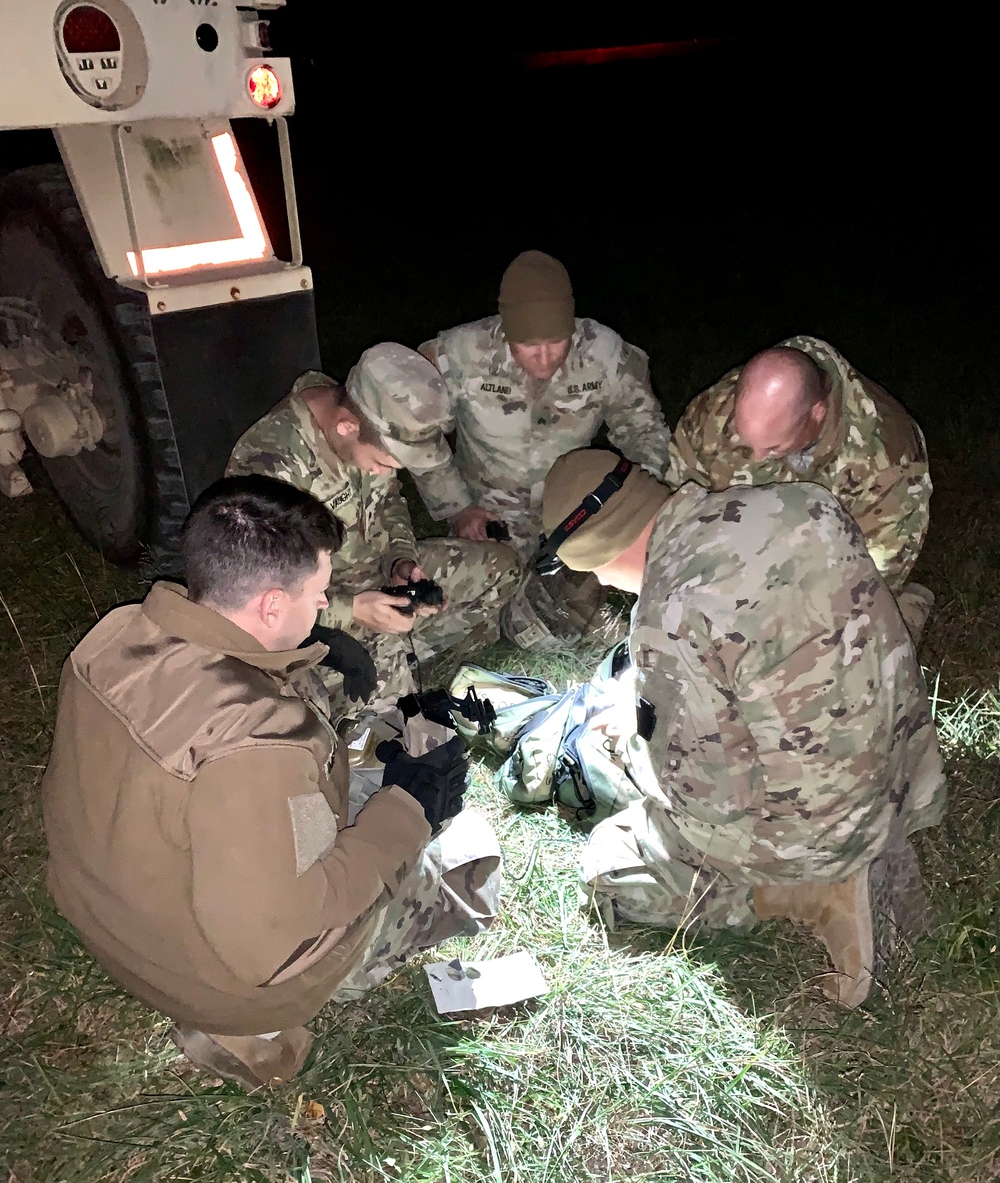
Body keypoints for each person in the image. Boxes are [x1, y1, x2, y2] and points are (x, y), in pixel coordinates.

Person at [41, 475, 502, 1089]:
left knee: (359, 794)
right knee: (455, 853)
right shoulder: (260, 743)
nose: (323, 606)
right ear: (270, 606)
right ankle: (260, 1020)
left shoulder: (119, 636)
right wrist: (409, 809)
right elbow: (273, 937)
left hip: (107, 911)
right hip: (217, 982)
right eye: (318, 593)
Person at [540, 449, 946, 1006]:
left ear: (602, 556)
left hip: (826, 828)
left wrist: (633, 748)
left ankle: (805, 893)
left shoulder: (667, 618)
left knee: (607, 862)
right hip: (903, 771)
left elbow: (710, 798)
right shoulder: (801, 500)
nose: (607, 587)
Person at [226, 343, 522, 720]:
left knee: (503, 568)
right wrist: (354, 610)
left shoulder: (371, 422)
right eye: (383, 463)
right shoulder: (269, 465)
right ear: (346, 426)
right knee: (394, 716)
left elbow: (389, 501)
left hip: (379, 577)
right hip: (321, 607)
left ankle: (397, 647)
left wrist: (401, 559)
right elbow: (258, 602)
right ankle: (382, 663)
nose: (386, 472)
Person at [410, 249, 672, 648]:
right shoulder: (459, 353)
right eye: (529, 345)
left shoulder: (605, 353)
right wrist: (456, 507)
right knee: (477, 619)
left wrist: (633, 507)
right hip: (490, 515)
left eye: (557, 342)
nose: (545, 358)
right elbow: (417, 431)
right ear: (505, 328)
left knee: (575, 616)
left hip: (574, 510)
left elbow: (644, 429)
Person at [664, 336, 934, 639]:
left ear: (816, 414)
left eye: (773, 446)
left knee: (847, 651)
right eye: (745, 437)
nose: (756, 457)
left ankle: (910, 608)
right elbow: (679, 497)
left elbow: (872, 576)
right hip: (743, 552)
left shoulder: (889, 463)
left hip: (825, 570)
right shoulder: (718, 407)